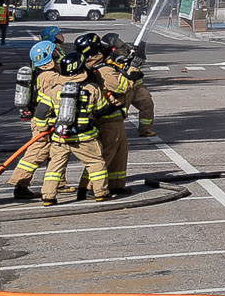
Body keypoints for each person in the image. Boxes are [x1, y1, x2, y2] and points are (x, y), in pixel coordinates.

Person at [80, 36, 155, 195]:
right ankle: (88, 187)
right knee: (105, 153)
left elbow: (120, 70)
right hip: (107, 119)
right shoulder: (103, 70)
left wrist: (133, 59)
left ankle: (115, 184)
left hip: (116, 117)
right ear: (95, 52)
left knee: (120, 153)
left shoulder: (103, 65)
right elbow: (123, 86)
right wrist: (134, 67)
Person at [36, 56, 113, 205]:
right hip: (85, 138)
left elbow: (40, 113)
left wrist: (44, 127)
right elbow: (102, 111)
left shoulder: (55, 90)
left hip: (61, 138)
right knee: (96, 164)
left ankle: (48, 197)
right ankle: (101, 193)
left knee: (54, 167)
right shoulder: (92, 89)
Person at [9, 40, 75, 201]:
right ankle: (20, 185)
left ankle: (58, 183)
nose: (58, 54)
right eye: (54, 52)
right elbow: (71, 84)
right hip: (43, 123)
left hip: (49, 121)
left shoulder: (47, 73)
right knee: (36, 154)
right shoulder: (49, 76)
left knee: (57, 152)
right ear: (47, 58)